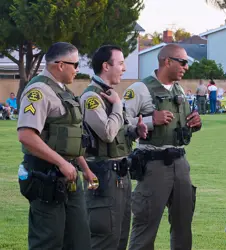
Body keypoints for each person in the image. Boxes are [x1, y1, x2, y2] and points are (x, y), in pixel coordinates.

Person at [16, 42, 95, 249]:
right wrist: (62, 163)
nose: (77, 70)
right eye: (75, 64)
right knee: (49, 241)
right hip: (46, 176)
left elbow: (66, 138)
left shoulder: (63, 91)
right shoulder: (39, 91)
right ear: (60, 65)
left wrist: (84, 169)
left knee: (79, 240)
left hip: (68, 174)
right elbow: (26, 135)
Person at [123, 44, 202, 250]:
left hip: (180, 163)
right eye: (183, 62)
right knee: (146, 225)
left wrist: (194, 123)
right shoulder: (140, 89)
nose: (186, 67)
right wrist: (150, 120)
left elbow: (179, 124)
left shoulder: (179, 89)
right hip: (153, 165)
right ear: (167, 61)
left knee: (183, 223)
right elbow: (120, 123)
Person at [80, 45, 147, 250]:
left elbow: (119, 131)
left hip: (120, 174)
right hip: (103, 176)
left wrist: (135, 131)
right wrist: (118, 105)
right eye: (120, 63)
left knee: (119, 238)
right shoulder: (92, 98)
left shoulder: (108, 94)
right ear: (106, 66)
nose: (124, 68)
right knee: (104, 239)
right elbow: (107, 134)